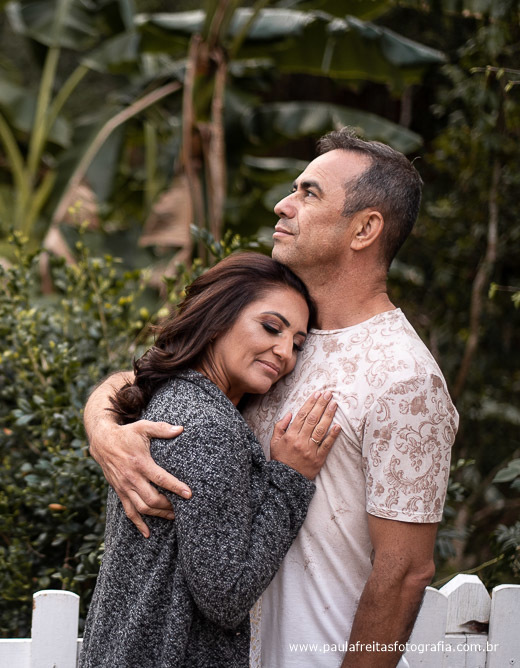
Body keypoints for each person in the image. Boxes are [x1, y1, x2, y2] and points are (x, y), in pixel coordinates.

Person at [82, 128, 459, 667]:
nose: (284, 205)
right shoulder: (284, 341)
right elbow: (154, 380)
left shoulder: (404, 378)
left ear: (365, 228)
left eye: (309, 193)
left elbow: (405, 574)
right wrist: (105, 435)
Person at [79, 252, 341, 668]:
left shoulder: (170, 397)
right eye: (271, 327)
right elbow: (225, 597)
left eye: (296, 344)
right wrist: (290, 479)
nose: (284, 353)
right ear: (219, 317)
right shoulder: (208, 427)